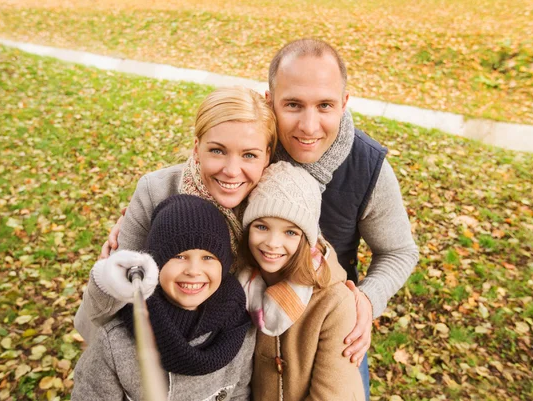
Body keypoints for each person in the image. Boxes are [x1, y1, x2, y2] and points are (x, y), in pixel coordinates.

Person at [100, 39, 419, 400]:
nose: (309, 125)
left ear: (344, 103)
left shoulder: (368, 168)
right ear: (270, 101)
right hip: (237, 319)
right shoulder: (249, 154)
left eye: (325, 105)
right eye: (293, 105)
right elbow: (196, 179)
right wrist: (142, 220)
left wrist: (366, 300)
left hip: (322, 322)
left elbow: (399, 252)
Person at [74, 85, 277, 344]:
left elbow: (311, 250)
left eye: (249, 155)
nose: (231, 171)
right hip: (156, 334)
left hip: (236, 346)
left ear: (267, 156)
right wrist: (109, 274)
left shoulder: (275, 199)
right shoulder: (157, 190)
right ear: (196, 147)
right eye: (217, 150)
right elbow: (114, 297)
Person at [72, 195, 255, 400]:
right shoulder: (116, 342)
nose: (194, 271)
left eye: (208, 258)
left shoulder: (238, 327)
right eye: (179, 256)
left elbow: (240, 392)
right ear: (155, 264)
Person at [238, 162, 365, 401]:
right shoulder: (242, 285)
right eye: (262, 226)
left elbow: (330, 395)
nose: (273, 243)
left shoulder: (334, 302)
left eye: (290, 232)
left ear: (308, 239)